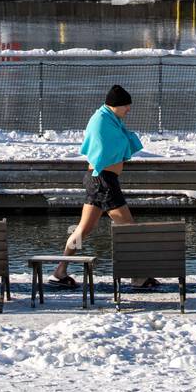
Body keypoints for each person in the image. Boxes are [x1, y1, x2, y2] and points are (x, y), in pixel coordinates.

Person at [50, 85, 157, 290]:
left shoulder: (110, 120)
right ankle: (137, 276)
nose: (128, 109)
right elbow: (102, 146)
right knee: (128, 228)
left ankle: (59, 271)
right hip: (103, 180)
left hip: (98, 179)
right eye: (126, 105)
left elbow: (118, 143)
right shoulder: (101, 120)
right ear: (114, 105)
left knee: (83, 229)